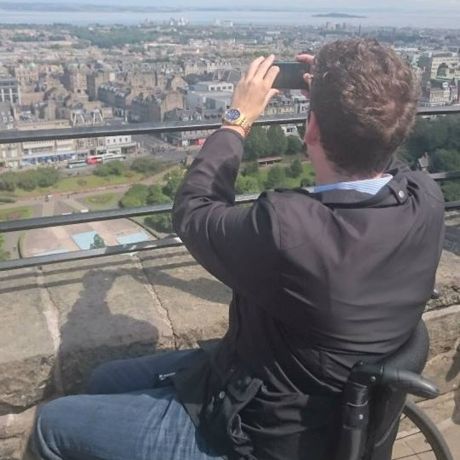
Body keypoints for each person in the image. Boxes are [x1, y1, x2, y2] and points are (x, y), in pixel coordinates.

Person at [33, 39, 445, 460]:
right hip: (318, 406)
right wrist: (337, 101)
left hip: (256, 434)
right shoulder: (425, 198)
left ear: (312, 129)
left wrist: (238, 119)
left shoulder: (290, 231)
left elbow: (194, 212)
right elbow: (383, 153)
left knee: (53, 425)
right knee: (104, 380)